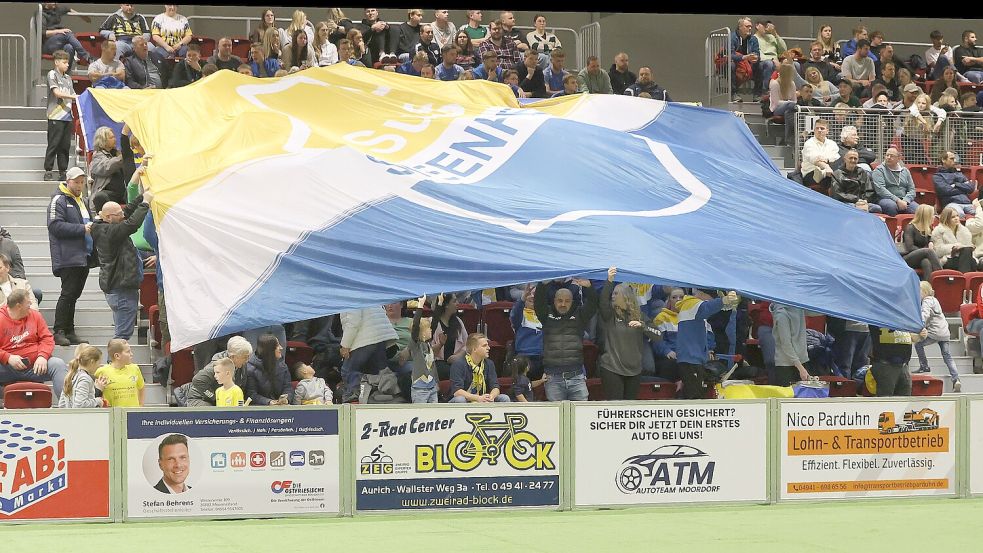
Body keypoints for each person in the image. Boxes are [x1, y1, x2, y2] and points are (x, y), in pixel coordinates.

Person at [92, 189, 152, 341]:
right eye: (119, 214)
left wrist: (142, 196)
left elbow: (127, 212)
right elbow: (132, 224)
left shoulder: (103, 225)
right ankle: (115, 357)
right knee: (122, 336)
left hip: (117, 288)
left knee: (122, 333)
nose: (123, 215)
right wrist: (145, 203)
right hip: (122, 290)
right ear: (109, 217)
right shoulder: (109, 232)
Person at [598, 267, 662, 400]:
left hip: (634, 370)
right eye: (612, 293)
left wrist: (643, 326)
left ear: (627, 296)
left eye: (616, 293)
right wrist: (609, 281)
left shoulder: (640, 316)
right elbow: (603, 300)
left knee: (629, 408)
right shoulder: (610, 315)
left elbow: (658, 335)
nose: (612, 296)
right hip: (611, 368)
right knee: (616, 408)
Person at [47, 167, 94, 346]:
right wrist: (82, 229)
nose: (80, 185)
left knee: (73, 295)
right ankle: (59, 331)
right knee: (68, 294)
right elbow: (54, 225)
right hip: (68, 256)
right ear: (68, 181)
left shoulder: (82, 200)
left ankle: (70, 330)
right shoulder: (58, 199)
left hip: (83, 255)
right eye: (76, 182)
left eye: (82, 182)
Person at [0, 289, 69, 402]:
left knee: (58, 364)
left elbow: (47, 338)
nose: (31, 304)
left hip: (35, 366)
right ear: (18, 306)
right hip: (7, 367)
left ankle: (67, 405)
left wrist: (42, 356)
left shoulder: (35, 315)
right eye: (28, 303)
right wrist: (8, 357)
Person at [534, 278, 597, 401]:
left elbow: (593, 304)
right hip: (553, 379)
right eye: (560, 300)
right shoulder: (546, 315)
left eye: (567, 301)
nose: (563, 304)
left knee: (580, 412)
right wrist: (542, 285)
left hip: (576, 377)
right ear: (554, 301)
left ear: (572, 302)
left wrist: (589, 287)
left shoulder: (580, 315)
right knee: (557, 414)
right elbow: (538, 302)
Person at [339, 306, 398, 403]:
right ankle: (380, 400)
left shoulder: (348, 297)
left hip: (366, 338)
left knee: (349, 370)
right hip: (380, 337)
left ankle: (352, 402)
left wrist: (345, 345)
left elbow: (353, 322)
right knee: (378, 373)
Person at [912, 282, 961, 391]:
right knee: (947, 356)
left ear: (925, 292)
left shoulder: (926, 301)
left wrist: (919, 327)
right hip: (945, 332)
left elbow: (924, 315)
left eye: (919, 292)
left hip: (934, 332)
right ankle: (956, 379)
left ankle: (924, 366)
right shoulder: (935, 300)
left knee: (918, 344)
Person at [187, 336, 252, 406]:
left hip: (225, 399)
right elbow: (197, 380)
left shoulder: (241, 365)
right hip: (199, 399)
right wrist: (214, 397)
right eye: (245, 357)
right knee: (215, 412)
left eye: (248, 356)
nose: (247, 360)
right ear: (233, 357)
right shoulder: (217, 366)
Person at [44, 50, 76, 183]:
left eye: (68, 62)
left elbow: (73, 95)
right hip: (55, 115)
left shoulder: (68, 78)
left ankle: (63, 171)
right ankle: (48, 170)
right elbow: (57, 93)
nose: (67, 64)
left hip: (67, 116)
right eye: (64, 62)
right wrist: (74, 97)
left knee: (65, 145)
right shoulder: (52, 74)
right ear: (57, 62)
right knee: (53, 144)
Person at [868, 323, 925, 397]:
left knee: (905, 396)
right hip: (885, 364)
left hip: (903, 365)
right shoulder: (878, 320)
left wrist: (920, 335)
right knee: (885, 397)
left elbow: (911, 337)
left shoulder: (903, 320)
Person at [449, 333, 509, 403]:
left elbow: (495, 387)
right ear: (474, 349)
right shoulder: (458, 364)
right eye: (484, 346)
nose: (488, 348)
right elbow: (457, 391)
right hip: (466, 399)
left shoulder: (489, 364)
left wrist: (491, 397)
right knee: (460, 399)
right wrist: (478, 398)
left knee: (504, 398)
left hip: (483, 398)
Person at [770, 303, 813, 386]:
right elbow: (786, 344)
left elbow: (814, 311)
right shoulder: (781, 315)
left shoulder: (798, 307)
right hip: (786, 366)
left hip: (801, 361)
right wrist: (800, 368)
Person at [41, 2, 93, 70]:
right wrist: (59, 31)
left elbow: (69, 9)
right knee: (67, 33)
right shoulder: (41, 14)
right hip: (47, 45)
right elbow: (43, 32)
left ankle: (65, 73)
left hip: (58, 43)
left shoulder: (57, 9)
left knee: (69, 47)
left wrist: (84, 17)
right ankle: (86, 57)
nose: (55, 3)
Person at [245, 333, 292, 406]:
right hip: (260, 408)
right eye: (277, 346)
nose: (281, 348)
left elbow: (288, 387)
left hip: (281, 407)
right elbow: (251, 394)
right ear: (270, 350)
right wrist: (269, 402)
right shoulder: (251, 369)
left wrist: (286, 399)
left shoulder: (283, 366)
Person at [94, 338, 144, 406]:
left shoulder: (135, 368)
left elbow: (141, 387)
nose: (131, 354)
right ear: (117, 356)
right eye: (128, 352)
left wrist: (140, 406)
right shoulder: (101, 372)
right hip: (112, 412)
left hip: (132, 412)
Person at [510, 284, 544, 379]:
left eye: (535, 294)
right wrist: (522, 298)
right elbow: (515, 314)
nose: (532, 296)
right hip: (524, 356)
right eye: (530, 294)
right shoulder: (520, 314)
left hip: (542, 357)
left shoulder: (544, 314)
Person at [58, 344, 108, 408]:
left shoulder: (71, 375)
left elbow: (61, 405)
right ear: (92, 362)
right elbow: (80, 405)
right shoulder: (85, 379)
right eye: (99, 363)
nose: (99, 366)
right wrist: (98, 401)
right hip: (82, 414)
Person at [902, 204, 943, 281]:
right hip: (907, 257)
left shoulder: (927, 228)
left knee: (926, 262)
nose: (934, 217)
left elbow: (929, 240)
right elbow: (909, 247)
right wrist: (924, 251)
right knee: (928, 251)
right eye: (932, 215)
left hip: (921, 257)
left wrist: (930, 242)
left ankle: (927, 285)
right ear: (926, 216)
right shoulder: (910, 227)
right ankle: (942, 278)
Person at [408, 297, 437, 404]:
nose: (431, 330)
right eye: (428, 328)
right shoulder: (415, 344)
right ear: (422, 332)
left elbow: (435, 322)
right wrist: (420, 306)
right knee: (421, 412)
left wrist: (439, 303)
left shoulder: (428, 343)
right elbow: (415, 326)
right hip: (420, 389)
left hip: (432, 387)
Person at [872, 147, 917, 216]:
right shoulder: (879, 170)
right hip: (885, 199)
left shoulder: (905, 171)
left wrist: (906, 200)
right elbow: (881, 190)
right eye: (887, 155)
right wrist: (897, 200)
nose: (888, 157)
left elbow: (912, 189)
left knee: (918, 210)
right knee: (891, 206)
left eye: (892, 156)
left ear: (898, 158)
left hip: (904, 199)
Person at [89, 126, 126, 208]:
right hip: (107, 193)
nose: (115, 139)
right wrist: (122, 157)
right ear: (103, 140)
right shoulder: (97, 156)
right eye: (111, 138)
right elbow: (107, 167)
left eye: (114, 137)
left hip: (123, 193)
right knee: (100, 197)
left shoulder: (117, 153)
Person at [932, 206, 978, 272]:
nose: (956, 218)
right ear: (946, 219)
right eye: (953, 217)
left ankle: (963, 276)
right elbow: (938, 251)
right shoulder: (939, 231)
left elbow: (969, 248)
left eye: (957, 216)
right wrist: (954, 247)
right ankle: (964, 276)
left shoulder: (965, 231)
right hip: (949, 258)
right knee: (967, 259)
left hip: (965, 257)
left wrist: (966, 247)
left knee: (968, 254)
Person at [801, 119, 840, 193]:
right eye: (817, 128)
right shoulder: (809, 143)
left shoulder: (832, 144)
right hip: (811, 173)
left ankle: (824, 173)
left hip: (830, 171)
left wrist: (827, 159)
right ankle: (824, 173)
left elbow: (835, 158)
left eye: (822, 128)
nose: (819, 130)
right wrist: (827, 167)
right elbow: (815, 160)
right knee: (832, 178)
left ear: (827, 131)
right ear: (814, 130)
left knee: (837, 167)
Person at [934, 151, 977, 215]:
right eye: (951, 158)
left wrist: (956, 184)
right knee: (959, 214)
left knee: (980, 214)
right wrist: (963, 189)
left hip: (967, 203)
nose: (955, 161)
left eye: (955, 158)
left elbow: (971, 188)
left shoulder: (960, 174)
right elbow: (946, 191)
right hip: (951, 204)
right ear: (943, 160)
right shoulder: (938, 176)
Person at [730, 17, 760, 101]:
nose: (750, 28)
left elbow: (757, 53)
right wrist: (744, 57)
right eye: (747, 26)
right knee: (731, 65)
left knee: (761, 65)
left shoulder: (753, 39)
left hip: (748, 64)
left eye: (751, 26)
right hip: (735, 63)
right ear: (740, 27)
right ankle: (734, 93)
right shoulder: (732, 37)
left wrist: (755, 57)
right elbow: (730, 55)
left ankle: (757, 94)